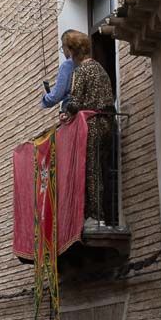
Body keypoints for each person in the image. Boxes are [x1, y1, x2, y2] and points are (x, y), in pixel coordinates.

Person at [58, 30, 114, 223]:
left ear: (72, 49)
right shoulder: (99, 68)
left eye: (64, 48)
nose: (64, 53)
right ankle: (104, 213)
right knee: (102, 169)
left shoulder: (81, 71)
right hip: (108, 123)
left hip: (92, 126)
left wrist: (66, 114)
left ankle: (95, 216)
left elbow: (75, 102)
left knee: (91, 171)